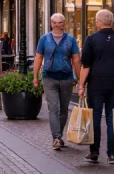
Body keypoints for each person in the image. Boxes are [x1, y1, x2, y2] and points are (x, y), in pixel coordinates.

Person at [78, 10, 114, 165]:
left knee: (95, 118)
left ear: (98, 22)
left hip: (96, 83)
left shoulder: (91, 39)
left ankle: (94, 152)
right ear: (112, 22)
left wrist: (81, 85)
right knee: (112, 118)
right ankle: (112, 155)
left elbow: (86, 65)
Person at [33, 14, 82, 151]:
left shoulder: (70, 40)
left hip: (67, 78)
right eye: (55, 23)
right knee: (53, 108)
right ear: (51, 24)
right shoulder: (44, 39)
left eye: (61, 22)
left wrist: (80, 80)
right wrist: (35, 77)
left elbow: (76, 60)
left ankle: (58, 135)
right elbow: (38, 57)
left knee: (64, 109)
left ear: (64, 23)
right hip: (49, 77)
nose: (58, 25)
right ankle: (56, 137)